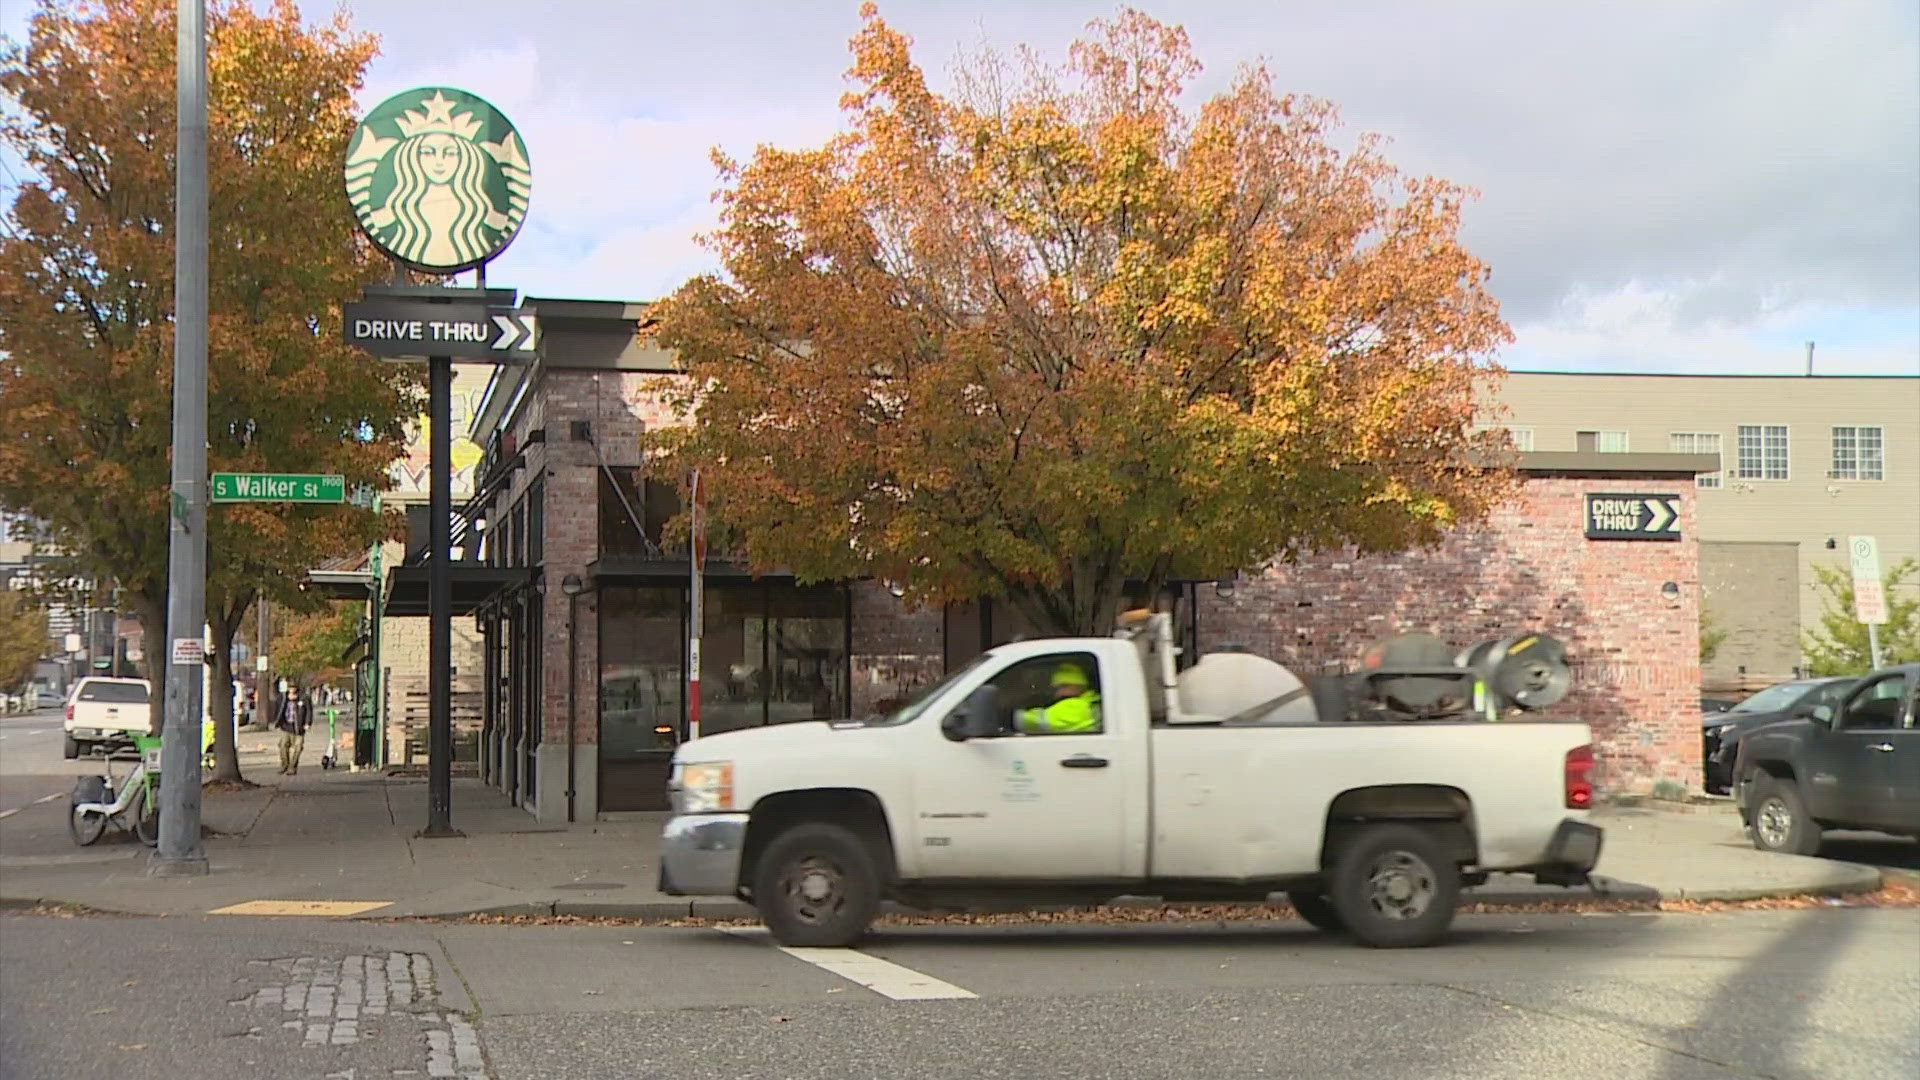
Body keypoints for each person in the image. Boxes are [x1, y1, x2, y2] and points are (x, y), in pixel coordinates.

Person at [1016, 662, 1102, 734]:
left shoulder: (1076, 706)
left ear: (1080, 686)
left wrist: (1010, 715)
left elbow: (1031, 721)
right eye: (1056, 688)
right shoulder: (1091, 701)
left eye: (1064, 686)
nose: (1059, 692)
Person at [275, 682, 312, 775]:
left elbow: (309, 711)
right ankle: (284, 764)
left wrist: (307, 723)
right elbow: (278, 709)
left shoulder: (304, 698)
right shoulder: (283, 698)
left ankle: (292, 767)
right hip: (286, 726)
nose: (292, 689)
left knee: (298, 747)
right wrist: (278, 721)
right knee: (283, 745)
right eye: (290, 687)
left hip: (298, 727)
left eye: (294, 687)